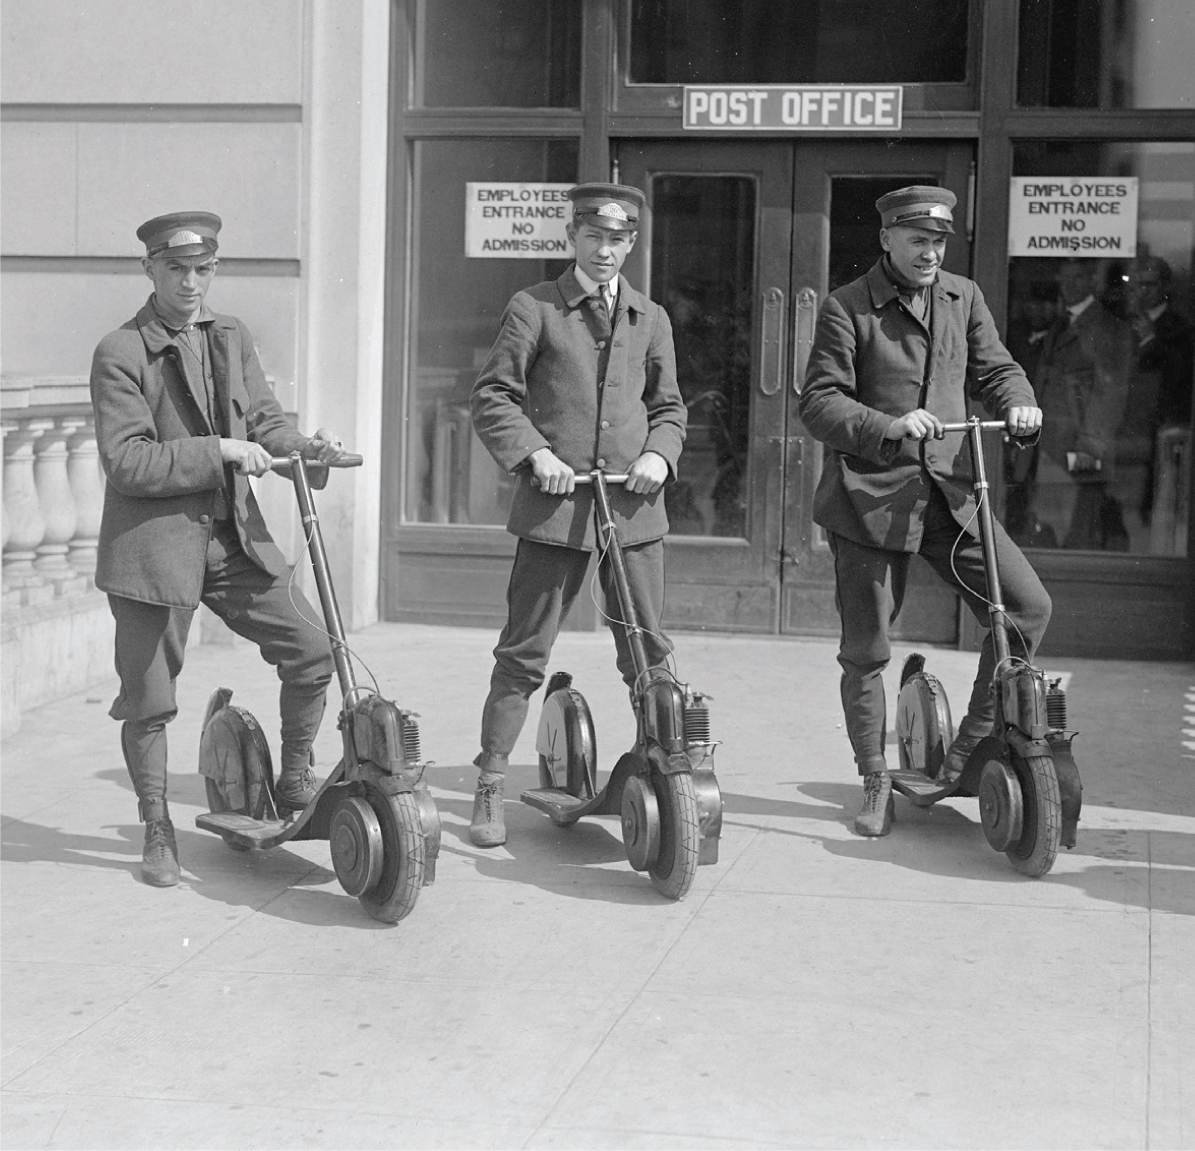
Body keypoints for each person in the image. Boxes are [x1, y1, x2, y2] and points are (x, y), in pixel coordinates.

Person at [90, 211, 347, 886]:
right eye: (175, 268)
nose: (191, 282)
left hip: (234, 542)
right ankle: (156, 826)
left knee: (314, 648)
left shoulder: (230, 336)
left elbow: (264, 420)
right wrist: (221, 451)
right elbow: (127, 462)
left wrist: (306, 449)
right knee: (148, 700)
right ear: (149, 268)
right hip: (151, 553)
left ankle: (294, 776)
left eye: (203, 269)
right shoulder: (120, 352)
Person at [798, 186, 1051, 837]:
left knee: (1022, 607)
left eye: (939, 242)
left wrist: (1018, 400)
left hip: (951, 495)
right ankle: (874, 777)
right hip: (868, 503)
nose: (931, 252)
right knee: (867, 651)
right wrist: (886, 423)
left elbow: (995, 368)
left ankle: (965, 756)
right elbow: (818, 404)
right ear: (886, 239)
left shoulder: (961, 297)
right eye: (918, 240)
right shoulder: (846, 308)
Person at [468, 182, 687, 847]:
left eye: (618, 239)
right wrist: (534, 454)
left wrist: (659, 454)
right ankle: (488, 782)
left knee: (647, 649)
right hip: (556, 509)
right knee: (523, 652)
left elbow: (670, 406)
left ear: (631, 244)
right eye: (593, 236)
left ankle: (663, 772)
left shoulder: (648, 317)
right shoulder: (533, 307)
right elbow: (493, 397)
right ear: (572, 238)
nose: (604, 250)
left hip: (631, 506)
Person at [1031, 259, 1133, 550]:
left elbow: (1111, 391)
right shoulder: (1063, 321)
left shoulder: (1106, 327)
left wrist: (1091, 446)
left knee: (1078, 530)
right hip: (1051, 443)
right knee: (1051, 527)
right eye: (1064, 279)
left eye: (1077, 279)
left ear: (1091, 281)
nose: (1069, 286)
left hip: (1079, 446)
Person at [1125, 255, 1194, 530]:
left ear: (1164, 286)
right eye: (1136, 285)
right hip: (1127, 425)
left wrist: (1151, 340)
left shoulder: (1180, 327)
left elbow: (1181, 375)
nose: (1142, 292)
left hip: (1162, 425)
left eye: (1149, 285)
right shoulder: (1121, 320)